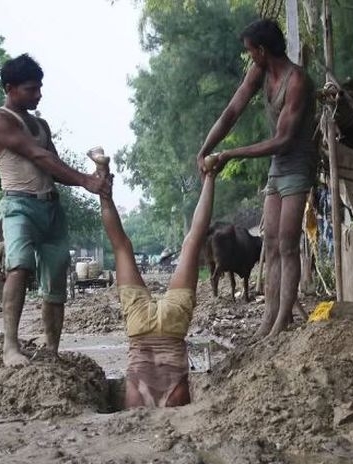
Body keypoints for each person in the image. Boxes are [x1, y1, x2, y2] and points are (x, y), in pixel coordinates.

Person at [0, 54, 111, 367]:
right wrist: (86, 181)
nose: (38, 94)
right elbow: (37, 156)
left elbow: (53, 168)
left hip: (50, 206)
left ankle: (51, 346)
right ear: (10, 88)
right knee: (19, 266)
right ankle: (10, 347)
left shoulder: (40, 124)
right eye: (30, 89)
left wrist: (92, 179)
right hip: (18, 205)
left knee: (55, 274)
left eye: (39, 88)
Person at [197, 19, 317, 339]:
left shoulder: (297, 81)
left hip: (297, 163)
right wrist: (206, 149)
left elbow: (283, 140)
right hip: (278, 167)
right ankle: (269, 319)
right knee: (273, 244)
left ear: (262, 51)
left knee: (288, 245)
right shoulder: (260, 72)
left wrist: (230, 154)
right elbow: (232, 111)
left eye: (250, 52)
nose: (250, 57)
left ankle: (281, 322)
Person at [100, 170, 216, 408]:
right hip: (150, 329)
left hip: (165, 328)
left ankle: (210, 178)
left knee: (188, 243)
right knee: (188, 242)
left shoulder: (135, 402)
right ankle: (210, 177)